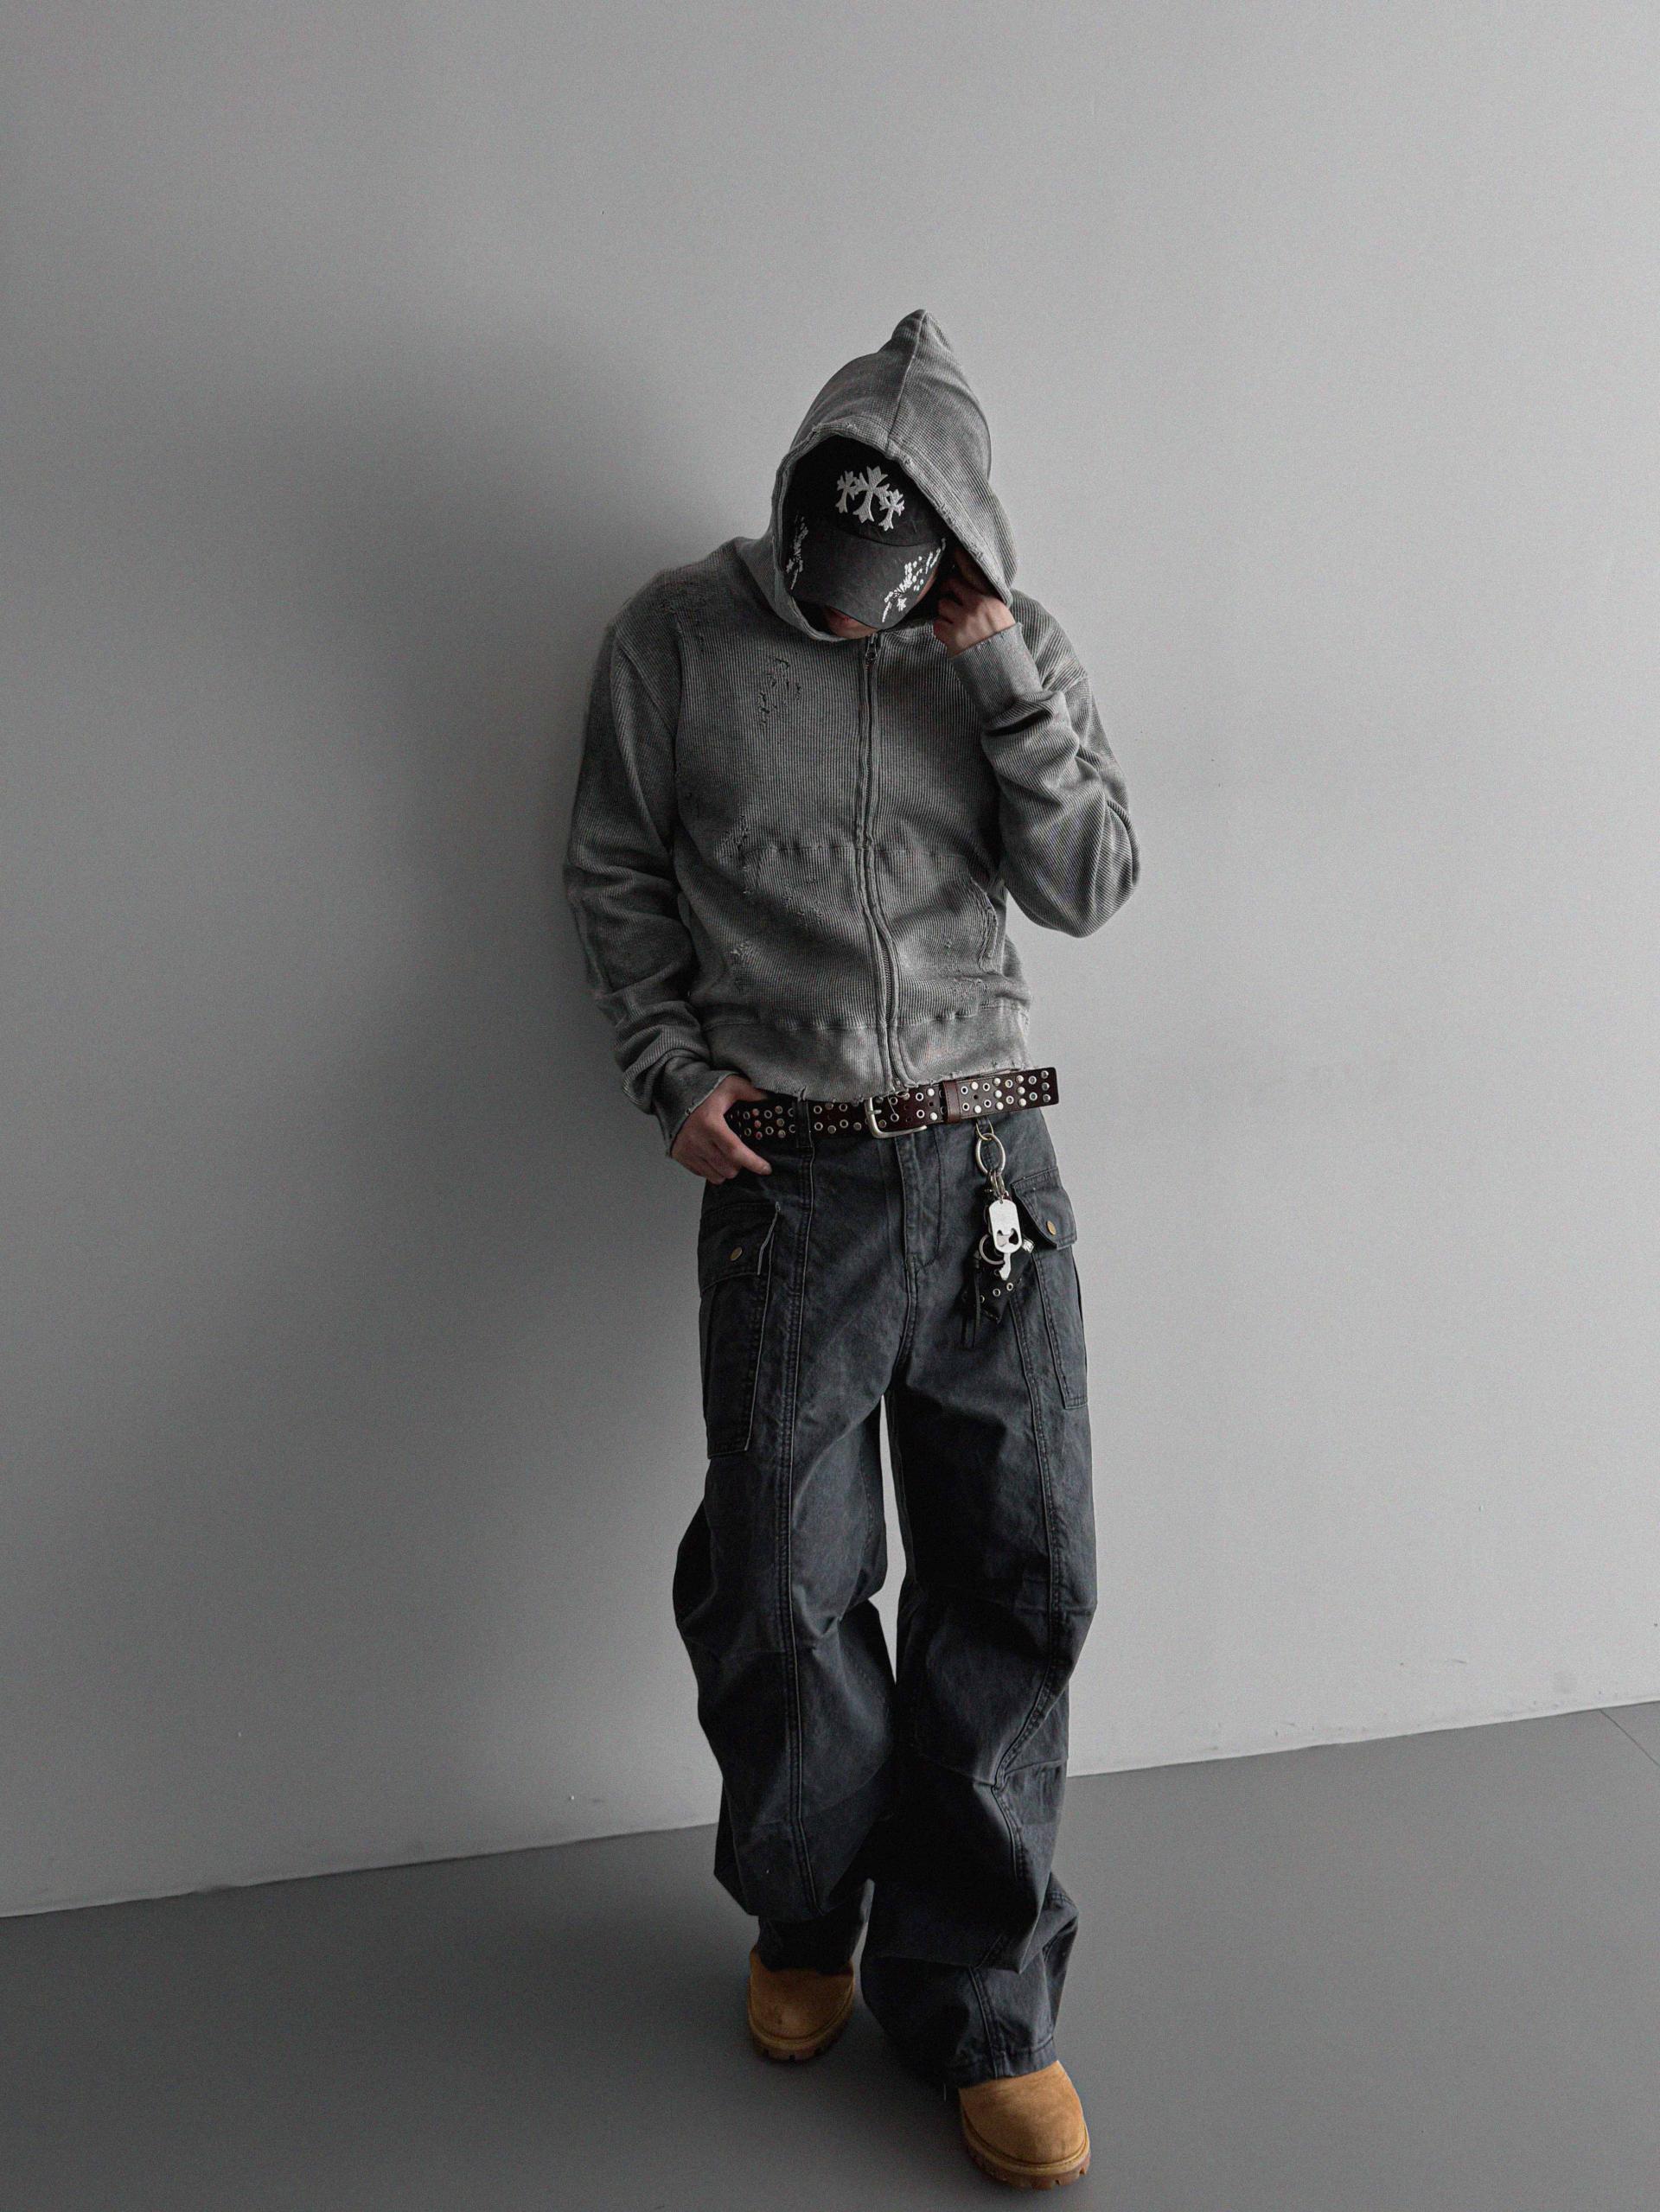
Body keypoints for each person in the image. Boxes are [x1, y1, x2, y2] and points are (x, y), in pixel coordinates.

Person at [562, 308, 1139, 2189]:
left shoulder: (1004, 643)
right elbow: (617, 871)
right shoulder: (674, 637)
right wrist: (669, 1071)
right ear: (791, 498)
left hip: (991, 1174)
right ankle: (809, 1905)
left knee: (1016, 1569)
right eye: (822, 557)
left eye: (882, 574)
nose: (841, 597)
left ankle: (981, 1997)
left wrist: (996, 672)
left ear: (951, 548)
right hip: (790, 1179)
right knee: (781, 1584)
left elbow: (1092, 883)